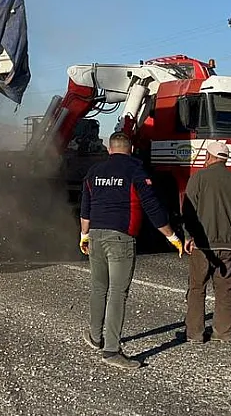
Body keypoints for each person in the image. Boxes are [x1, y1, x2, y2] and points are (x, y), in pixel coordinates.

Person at [79, 131, 185, 369]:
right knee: (118, 293)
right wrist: (172, 236)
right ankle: (111, 351)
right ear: (131, 150)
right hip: (120, 238)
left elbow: (85, 208)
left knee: (99, 288)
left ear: (109, 149)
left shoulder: (93, 172)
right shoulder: (135, 171)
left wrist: (84, 235)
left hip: (95, 235)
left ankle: (95, 336)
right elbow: (152, 207)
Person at [180, 140, 231, 344]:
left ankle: (195, 333)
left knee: (197, 288)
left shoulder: (199, 178)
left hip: (203, 244)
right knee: (225, 289)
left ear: (208, 157)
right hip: (229, 245)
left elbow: (188, 210)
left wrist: (188, 236)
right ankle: (224, 333)